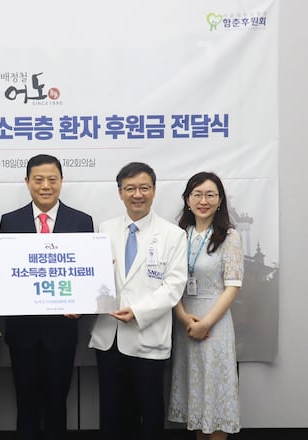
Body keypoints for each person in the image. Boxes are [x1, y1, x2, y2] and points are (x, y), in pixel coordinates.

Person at [88, 162, 187, 440]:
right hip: (109, 337)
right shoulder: (105, 229)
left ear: (154, 190)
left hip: (148, 336)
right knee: (111, 413)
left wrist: (138, 311)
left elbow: (174, 286)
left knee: (150, 413)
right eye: (130, 188)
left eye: (144, 188)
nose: (137, 194)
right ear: (120, 193)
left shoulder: (173, 235)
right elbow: (92, 276)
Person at [0, 154, 94, 440]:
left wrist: (83, 302)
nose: (45, 186)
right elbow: (7, 273)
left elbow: (85, 274)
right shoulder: (10, 221)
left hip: (61, 330)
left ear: (62, 181)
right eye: (38, 180)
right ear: (27, 181)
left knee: (57, 402)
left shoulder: (81, 221)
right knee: (25, 402)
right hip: (22, 331)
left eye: (52, 179)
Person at [168, 172, 243, 439]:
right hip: (185, 322)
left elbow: (233, 286)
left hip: (215, 324)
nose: (203, 201)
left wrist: (207, 323)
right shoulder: (178, 236)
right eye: (197, 194)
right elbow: (170, 283)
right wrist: (183, 317)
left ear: (220, 200)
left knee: (216, 394)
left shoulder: (229, 236)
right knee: (197, 398)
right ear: (187, 200)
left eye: (210, 195)